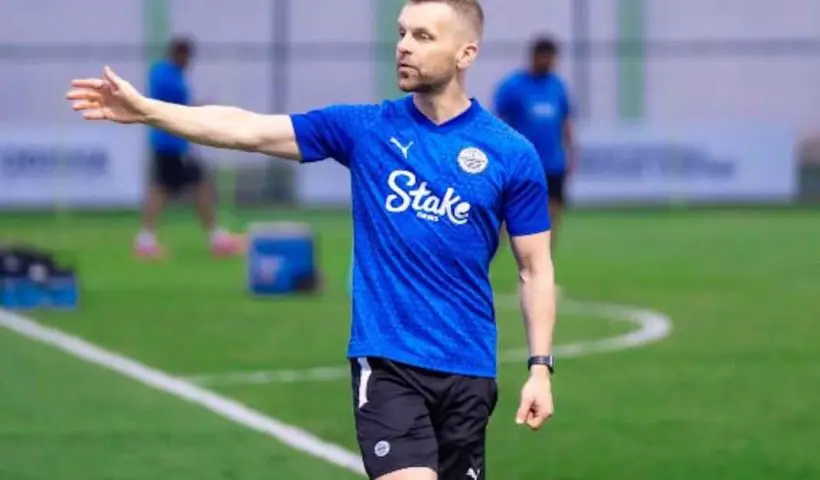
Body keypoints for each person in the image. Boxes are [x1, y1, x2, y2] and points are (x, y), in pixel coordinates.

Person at [65, 1, 557, 478]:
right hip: (389, 363)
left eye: (423, 36)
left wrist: (539, 367)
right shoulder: (365, 128)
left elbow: (534, 268)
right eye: (402, 32)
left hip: (469, 367)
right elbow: (247, 130)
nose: (404, 46)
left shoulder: (511, 154)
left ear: (465, 54)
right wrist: (148, 110)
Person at [136, 36, 242, 259]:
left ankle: (149, 239)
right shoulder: (170, 79)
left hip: (167, 142)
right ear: (180, 54)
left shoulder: (160, 73)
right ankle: (214, 238)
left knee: (168, 189)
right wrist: (206, 110)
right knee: (188, 187)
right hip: (172, 144)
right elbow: (179, 109)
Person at [493, 36, 577, 260]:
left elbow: (566, 122)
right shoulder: (513, 87)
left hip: (552, 164)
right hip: (522, 164)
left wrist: (571, 154)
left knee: (552, 215)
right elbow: (497, 122)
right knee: (504, 217)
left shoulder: (557, 87)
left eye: (551, 58)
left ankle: (541, 266)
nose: (548, 62)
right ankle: (482, 263)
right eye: (544, 57)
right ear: (534, 57)